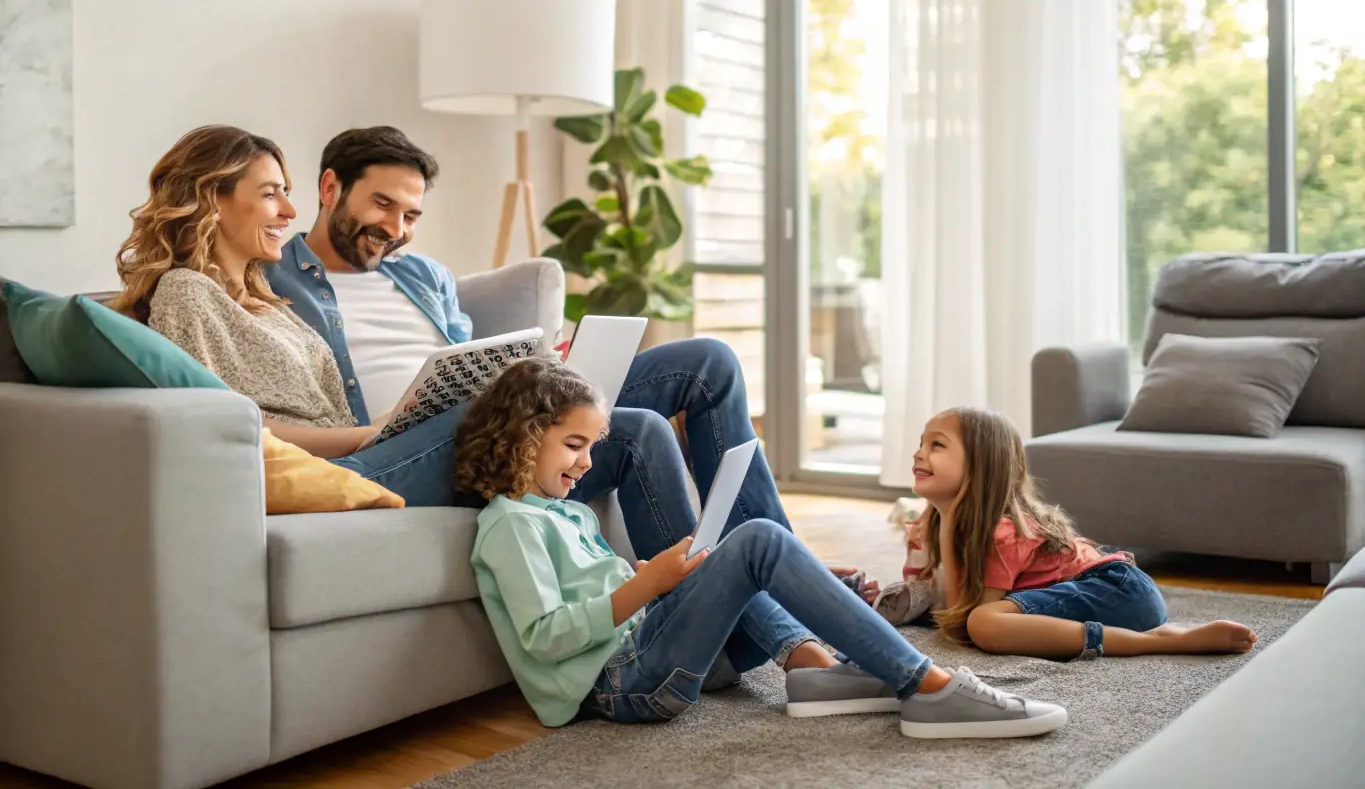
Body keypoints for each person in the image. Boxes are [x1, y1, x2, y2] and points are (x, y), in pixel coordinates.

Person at [265, 126, 877, 590]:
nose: (396, 228)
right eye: (382, 205)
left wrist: (543, 364)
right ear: (330, 189)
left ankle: (781, 555)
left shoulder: (425, 275)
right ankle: (771, 587)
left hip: (501, 417)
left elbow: (467, 357)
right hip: (418, 447)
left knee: (707, 362)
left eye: (411, 215)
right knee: (633, 426)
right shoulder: (270, 280)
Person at [458, 356, 1068, 737]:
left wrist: (650, 583)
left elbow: (600, 599)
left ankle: (842, 669)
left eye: (593, 447)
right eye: (574, 446)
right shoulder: (510, 526)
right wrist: (644, 587)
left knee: (742, 551)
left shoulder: (562, 513)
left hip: (645, 652)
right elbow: (546, 638)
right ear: (522, 436)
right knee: (757, 541)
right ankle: (928, 686)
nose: (588, 463)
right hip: (620, 686)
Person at [112, 126, 466, 478]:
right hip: (334, 470)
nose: (290, 210)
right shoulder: (186, 291)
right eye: (270, 194)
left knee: (484, 414)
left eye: (285, 193)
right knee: (476, 417)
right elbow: (213, 423)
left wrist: (390, 424)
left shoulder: (265, 301)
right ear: (212, 201)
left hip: (359, 460)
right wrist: (369, 435)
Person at [908, 406, 1258, 660]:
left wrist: (949, 522)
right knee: (981, 622)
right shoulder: (929, 527)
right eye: (921, 443)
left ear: (980, 464)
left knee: (984, 623)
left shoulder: (1004, 532)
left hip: (1118, 590)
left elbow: (962, 624)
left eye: (936, 445)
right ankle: (1153, 636)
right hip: (1111, 595)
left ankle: (1162, 642)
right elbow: (938, 605)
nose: (918, 454)